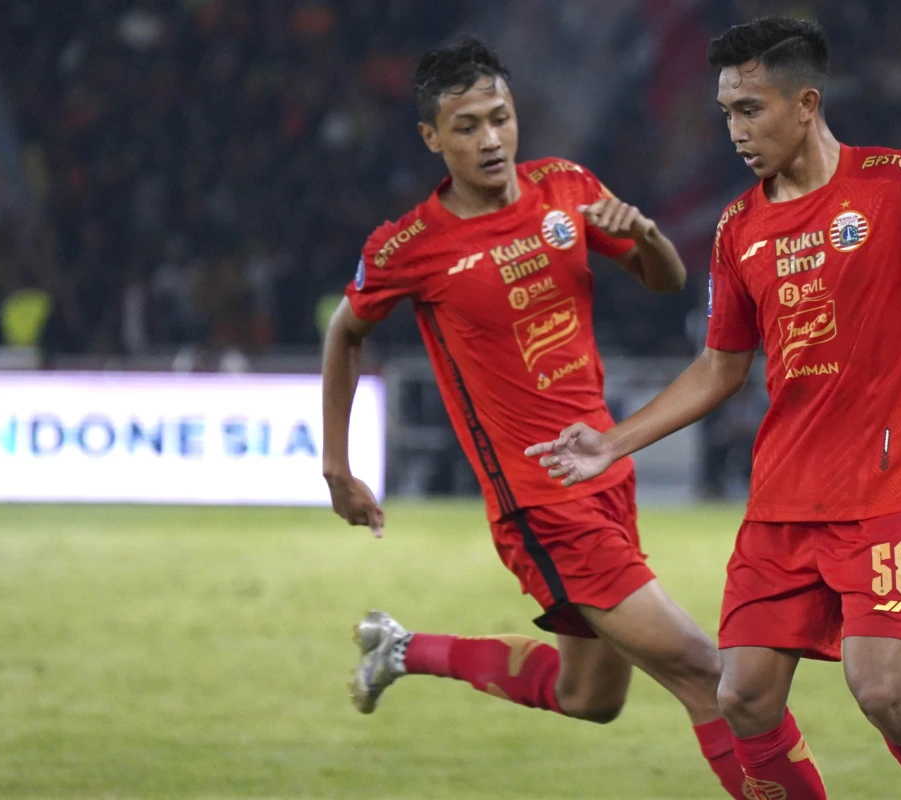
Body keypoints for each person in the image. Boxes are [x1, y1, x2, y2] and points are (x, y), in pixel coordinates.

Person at [525, 18, 901, 799]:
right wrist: (613, 442)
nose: (735, 132)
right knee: (743, 696)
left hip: (884, 494)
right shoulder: (738, 228)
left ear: (806, 104)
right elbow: (720, 367)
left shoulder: (898, 184)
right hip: (781, 502)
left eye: (751, 109)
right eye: (727, 113)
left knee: (882, 690)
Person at [318, 37, 747, 798]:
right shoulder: (409, 246)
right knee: (708, 674)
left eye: (501, 118)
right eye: (467, 126)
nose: (491, 139)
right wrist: (337, 468)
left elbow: (664, 280)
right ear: (432, 137)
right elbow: (345, 333)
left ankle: (401, 649)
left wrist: (647, 235)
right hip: (541, 502)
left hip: (606, 473)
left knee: (592, 697)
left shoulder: (565, 187)